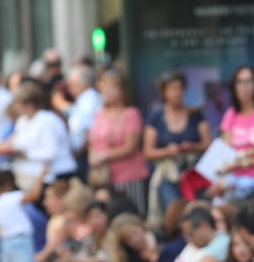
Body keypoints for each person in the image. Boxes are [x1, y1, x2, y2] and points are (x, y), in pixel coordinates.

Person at [213, 65, 254, 217]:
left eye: (249, 81)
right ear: (234, 86)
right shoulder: (230, 115)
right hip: (235, 187)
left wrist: (239, 160)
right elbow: (226, 156)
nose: (245, 87)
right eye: (240, 82)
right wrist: (252, 154)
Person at [143, 71, 211, 217]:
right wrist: (167, 151)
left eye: (179, 88)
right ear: (164, 92)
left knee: (198, 211)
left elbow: (207, 144)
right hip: (169, 173)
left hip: (193, 172)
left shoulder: (195, 114)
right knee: (173, 213)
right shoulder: (156, 116)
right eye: (171, 89)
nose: (176, 93)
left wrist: (192, 147)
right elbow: (148, 151)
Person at [87, 70, 149, 215]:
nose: (106, 92)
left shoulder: (131, 114)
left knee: (130, 214)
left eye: (111, 87)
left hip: (128, 177)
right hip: (103, 179)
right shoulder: (99, 114)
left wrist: (102, 156)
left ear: (122, 91)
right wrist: (92, 157)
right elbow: (92, 141)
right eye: (104, 87)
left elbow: (130, 147)